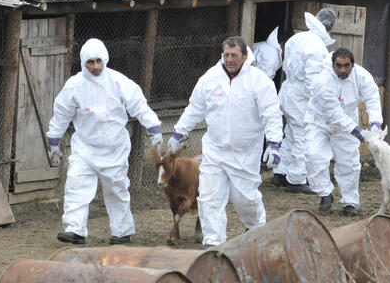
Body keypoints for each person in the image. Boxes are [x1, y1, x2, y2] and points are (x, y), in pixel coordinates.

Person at [167, 36, 283, 248]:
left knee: (245, 200)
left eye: (235, 55)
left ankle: (256, 226)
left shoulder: (259, 81)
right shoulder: (210, 79)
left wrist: (274, 143)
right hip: (215, 151)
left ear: (245, 56)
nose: (230, 60)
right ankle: (213, 243)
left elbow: (272, 115)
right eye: (226, 55)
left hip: (245, 153)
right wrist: (177, 134)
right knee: (209, 198)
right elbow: (194, 109)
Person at [46, 38, 163, 245]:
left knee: (116, 189)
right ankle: (75, 229)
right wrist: (53, 141)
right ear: (83, 62)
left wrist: (154, 130)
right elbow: (61, 113)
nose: (95, 66)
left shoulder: (119, 82)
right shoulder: (74, 86)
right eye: (90, 62)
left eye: (99, 61)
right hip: (85, 148)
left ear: (105, 59)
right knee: (76, 185)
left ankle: (122, 231)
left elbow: (139, 106)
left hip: (115, 148)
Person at [304, 47, 383, 216]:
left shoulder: (362, 76)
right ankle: (325, 194)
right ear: (333, 65)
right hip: (320, 121)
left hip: (348, 120)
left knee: (350, 162)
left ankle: (350, 203)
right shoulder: (322, 81)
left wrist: (375, 124)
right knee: (314, 156)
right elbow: (334, 114)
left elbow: (372, 98)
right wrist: (360, 133)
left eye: (346, 65)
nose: (342, 70)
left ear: (353, 65)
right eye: (338, 66)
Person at [273, 8, 337, 193]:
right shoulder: (317, 46)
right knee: (303, 135)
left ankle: (281, 172)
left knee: (291, 133)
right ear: (331, 27)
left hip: (288, 91)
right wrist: (317, 103)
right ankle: (296, 179)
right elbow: (313, 80)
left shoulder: (298, 38)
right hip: (301, 96)